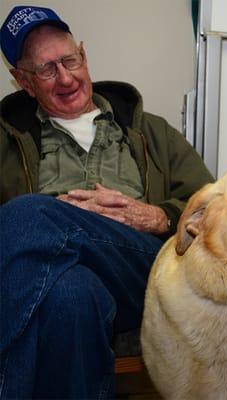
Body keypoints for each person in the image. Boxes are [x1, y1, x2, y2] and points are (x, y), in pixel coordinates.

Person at [0, 6, 213, 399]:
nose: (65, 77)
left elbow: (214, 208)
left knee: (27, 215)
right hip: (55, 277)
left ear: (84, 54)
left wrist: (155, 216)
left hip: (143, 268)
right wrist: (60, 222)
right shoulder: (5, 142)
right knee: (72, 293)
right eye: (47, 70)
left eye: (70, 60)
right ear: (23, 82)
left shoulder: (150, 131)